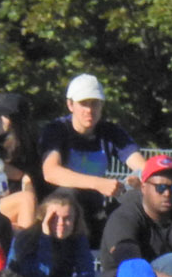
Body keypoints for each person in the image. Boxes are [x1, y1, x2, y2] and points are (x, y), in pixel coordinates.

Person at [38, 74, 142, 242]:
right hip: (62, 211)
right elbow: (50, 172)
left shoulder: (111, 131)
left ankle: (130, 256)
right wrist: (98, 183)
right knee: (67, 196)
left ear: (102, 106)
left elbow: (143, 167)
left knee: (139, 198)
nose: (89, 110)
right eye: (83, 104)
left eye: (95, 103)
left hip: (97, 207)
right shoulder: (56, 130)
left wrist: (137, 180)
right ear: (70, 105)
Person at [0, 91, 40, 233]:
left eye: (2, 115)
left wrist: (24, 177)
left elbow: (32, 182)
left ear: (17, 122)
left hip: (14, 211)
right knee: (26, 199)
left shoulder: (31, 150)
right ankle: (24, 249)